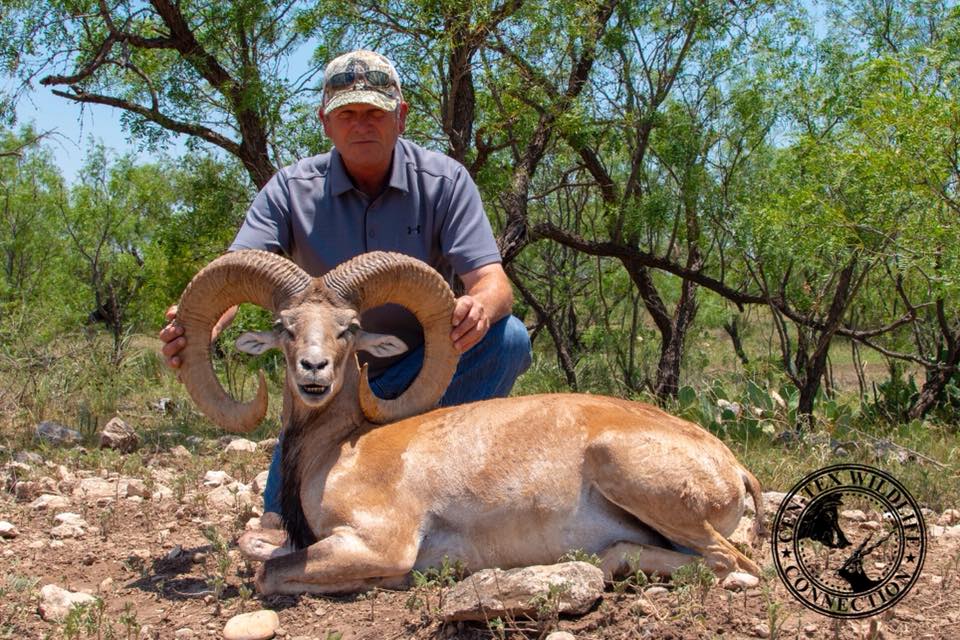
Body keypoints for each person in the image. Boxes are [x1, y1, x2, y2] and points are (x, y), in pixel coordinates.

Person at [159, 49, 532, 521]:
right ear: (325, 122)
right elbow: (234, 275)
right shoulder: (290, 189)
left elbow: (493, 282)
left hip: (421, 374)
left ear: (401, 116)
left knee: (508, 337)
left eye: (375, 112)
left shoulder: (444, 182)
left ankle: (437, 482)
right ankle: (356, 475)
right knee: (283, 519)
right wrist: (199, 324)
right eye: (347, 113)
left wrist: (478, 306)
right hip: (326, 380)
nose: (362, 124)